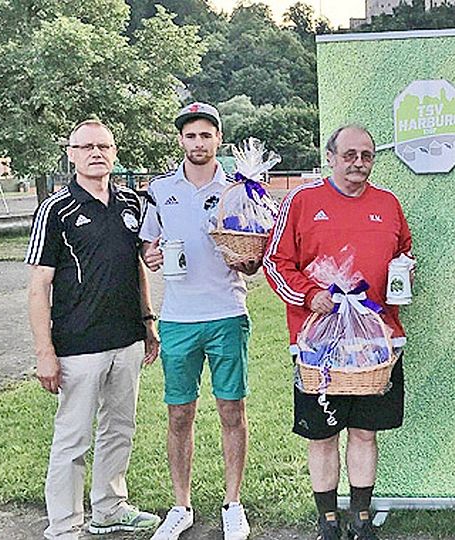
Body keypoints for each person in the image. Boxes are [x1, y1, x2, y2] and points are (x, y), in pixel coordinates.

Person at [263, 124, 413, 540]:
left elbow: (403, 253)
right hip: (319, 345)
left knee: (365, 432)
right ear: (330, 156)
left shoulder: (388, 204)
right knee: (323, 433)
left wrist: (404, 272)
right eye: (349, 154)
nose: (358, 163)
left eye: (366, 155)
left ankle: (360, 515)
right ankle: (327, 517)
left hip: (375, 344)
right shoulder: (302, 200)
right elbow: (276, 262)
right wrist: (310, 295)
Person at [26, 119, 161, 540]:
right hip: (78, 344)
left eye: (103, 145)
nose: (95, 153)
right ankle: (64, 525)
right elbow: (38, 287)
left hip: (126, 339)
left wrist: (148, 323)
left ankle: (109, 507)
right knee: (73, 438)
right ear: (71, 153)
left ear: (115, 152)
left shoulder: (131, 203)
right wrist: (44, 352)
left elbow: (137, 267)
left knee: (119, 428)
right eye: (86, 147)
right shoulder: (56, 208)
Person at [140, 102, 258, 540]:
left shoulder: (239, 189)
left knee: (232, 409)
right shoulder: (160, 189)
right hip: (177, 319)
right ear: (181, 140)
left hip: (227, 313)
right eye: (190, 135)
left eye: (206, 135)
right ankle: (181, 505)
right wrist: (149, 254)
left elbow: (253, 252)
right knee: (179, 413)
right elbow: (148, 245)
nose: (198, 143)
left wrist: (248, 261)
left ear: (218, 140)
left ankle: (233, 503)